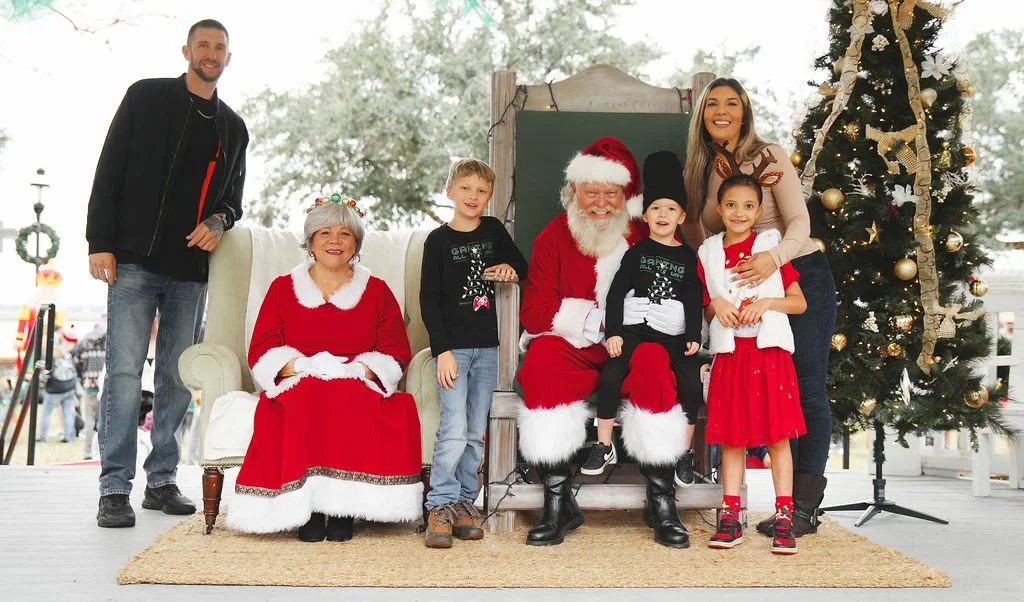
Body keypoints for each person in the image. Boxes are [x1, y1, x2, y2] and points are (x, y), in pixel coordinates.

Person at [86, 19, 249, 528]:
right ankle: (114, 488)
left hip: (189, 273)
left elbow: (233, 201)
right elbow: (109, 167)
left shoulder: (232, 127)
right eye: (203, 45)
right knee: (125, 374)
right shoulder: (144, 97)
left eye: (219, 47)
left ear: (228, 57)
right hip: (133, 260)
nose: (211, 53)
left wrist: (219, 221)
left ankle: (161, 481)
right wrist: (100, 243)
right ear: (187, 50)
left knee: (178, 378)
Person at [517, 137, 691, 549]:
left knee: (651, 360)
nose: (600, 203)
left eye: (610, 193)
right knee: (541, 360)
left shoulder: (650, 236)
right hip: (575, 346)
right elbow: (536, 314)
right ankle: (558, 501)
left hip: (634, 348)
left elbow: (688, 296)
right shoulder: (553, 237)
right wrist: (599, 321)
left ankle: (661, 500)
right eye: (590, 191)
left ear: (626, 196)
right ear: (573, 192)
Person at [681, 77, 836, 537]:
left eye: (732, 102)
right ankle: (736, 507)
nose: (721, 110)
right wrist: (713, 283)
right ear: (703, 115)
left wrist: (771, 258)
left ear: (745, 111)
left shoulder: (768, 155)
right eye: (712, 104)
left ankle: (801, 508)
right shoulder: (704, 168)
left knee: (805, 386)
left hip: (794, 270)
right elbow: (698, 230)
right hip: (738, 286)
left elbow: (799, 222)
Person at [227, 196, 422, 542]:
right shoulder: (282, 289)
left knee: (346, 395)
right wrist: (302, 365)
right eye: (325, 233)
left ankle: (341, 509)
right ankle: (312, 507)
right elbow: (263, 348)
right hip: (299, 377)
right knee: (310, 394)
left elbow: (394, 350)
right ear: (311, 242)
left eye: (345, 234)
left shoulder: (376, 291)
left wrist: (358, 369)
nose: (335, 241)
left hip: (356, 378)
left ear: (356, 244)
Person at [420, 159, 528, 548]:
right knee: (452, 428)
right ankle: (441, 504)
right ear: (450, 192)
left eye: (482, 191)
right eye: (465, 188)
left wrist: (506, 268)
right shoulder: (438, 241)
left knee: (474, 431)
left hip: (487, 349)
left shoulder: (494, 231)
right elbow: (428, 300)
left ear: (489, 196)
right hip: (454, 350)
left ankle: (467, 501)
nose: (473, 197)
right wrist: (442, 351)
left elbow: (520, 266)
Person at [697, 174, 807, 555]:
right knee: (732, 438)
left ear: (759, 211)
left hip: (769, 354)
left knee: (778, 437)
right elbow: (707, 303)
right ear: (719, 209)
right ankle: (731, 515)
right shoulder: (709, 252)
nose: (739, 213)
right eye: (730, 205)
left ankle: (784, 518)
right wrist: (718, 306)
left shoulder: (769, 248)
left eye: (747, 206)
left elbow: (798, 302)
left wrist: (767, 303)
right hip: (731, 355)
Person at [584, 151, 702, 486]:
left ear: (681, 216)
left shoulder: (687, 257)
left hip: (672, 337)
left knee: (692, 386)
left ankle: (683, 452)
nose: (663, 215)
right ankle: (604, 444)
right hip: (635, 335)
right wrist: (615, 333)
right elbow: (616, 293)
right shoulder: (636, 253)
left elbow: (693, 296)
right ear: (645, 215)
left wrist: (693, 333)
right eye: (656, 209)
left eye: (671, 209)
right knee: (609, 380)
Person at [38, 327, 80, 444]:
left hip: (54, 389)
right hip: (69, 386)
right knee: (68, 412)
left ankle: (42, 436)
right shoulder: (67, 354)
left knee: (46, 412)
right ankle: (69, 436)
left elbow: (46, 372)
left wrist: (43, 384)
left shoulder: (50, 355)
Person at [72, 318, 107, 460]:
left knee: (90, 420)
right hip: (105, 385)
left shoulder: (84, 342)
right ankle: (102, 452)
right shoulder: (108, 340)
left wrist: (83, 378)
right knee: (105, 420)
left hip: (89, 386)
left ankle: (87, 453)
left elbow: (77, 363)